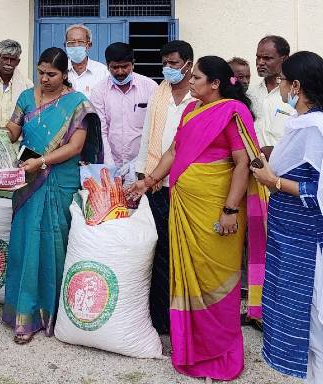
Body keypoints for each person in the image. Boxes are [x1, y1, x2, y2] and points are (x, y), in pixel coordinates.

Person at [129, 56, 267, 381]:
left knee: (214, 277)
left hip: (217, 213)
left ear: (215, 84)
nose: (190, 82)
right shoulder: (190, 111)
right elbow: (174, 152)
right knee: (186, 275)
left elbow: (242, 164)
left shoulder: (233, 112)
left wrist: (231, 209)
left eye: (197, 78)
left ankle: (219, 352)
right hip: (185, 210)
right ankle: (191, 350)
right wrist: (148, 181)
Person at [2, 47, 103, 344]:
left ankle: (53, 312)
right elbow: (13, 131)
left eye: (52, 74)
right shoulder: (25, 97)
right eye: (41, 72)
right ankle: (24, 314)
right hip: (27, 180)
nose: (45, 79)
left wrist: (43, 162)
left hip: (58, 179)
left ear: (65, 74)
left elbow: (75, 147)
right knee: (24, 242)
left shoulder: (77, 104)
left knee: (52, 243)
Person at [252, 51, 323, 383]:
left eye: (281, 80)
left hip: (307, 243)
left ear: (296, 85)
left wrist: (273, 181)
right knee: (292, 313)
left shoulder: (316, 127)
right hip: (287, 235)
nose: (278, 87)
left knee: (312, 320)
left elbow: (317, 189)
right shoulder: (298, 123)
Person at [135, 40, 195, 335]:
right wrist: (143, 174)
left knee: (183, 250)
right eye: (166, 63)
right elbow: (148, 135)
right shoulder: (160, 92)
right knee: (159, 249)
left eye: (174, 63)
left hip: (187, 185)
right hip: (157, 182)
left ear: (188, 63)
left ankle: (185, 316)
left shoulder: (198, 97)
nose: (169, 69)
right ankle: (160, 319)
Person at [90, 42, 157, 169]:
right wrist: (110, 167)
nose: (120, 72)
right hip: (111, 162)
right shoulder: (99, 91)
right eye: (115, 67)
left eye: (125, 67)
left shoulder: (150, 87)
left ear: (133, 64)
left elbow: (155, 128)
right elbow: (101, 131)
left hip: (144, 163)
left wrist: (143, 163)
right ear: (107, 66)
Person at [247, 35, 294, 158]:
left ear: (284, 59)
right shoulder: (250, 94)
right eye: (258, 57)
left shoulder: (295, 95)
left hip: (286, 168)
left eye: (267, 58)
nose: (260, 62)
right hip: (255, 168)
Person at [65, 24, 109, 98]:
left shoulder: (102, 71)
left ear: (89, 45)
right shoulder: (59, 71)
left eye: (80, 42)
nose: (76, 46)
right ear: (65, 45)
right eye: (71, 42)